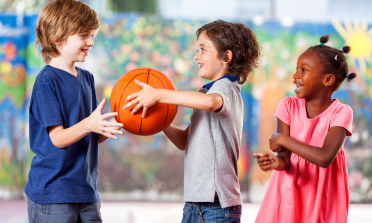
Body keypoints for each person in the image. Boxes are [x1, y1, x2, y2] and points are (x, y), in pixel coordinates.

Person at [122, 20, 260, 222]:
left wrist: (160, 94)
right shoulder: (206, 92)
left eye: (203, 49)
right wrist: (159, 120)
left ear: (226, 56)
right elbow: (184, 142)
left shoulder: (226, 88)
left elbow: (211, 103)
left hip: (217, 205)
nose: (196, 56)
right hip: (195, 202)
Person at [25, 0, 123, 222]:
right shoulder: (47, 80)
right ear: (57, 38)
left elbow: (87, 136)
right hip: (53, 193)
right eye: (83, 35)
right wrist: (89, 124)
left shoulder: (87, 79)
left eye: (92, 35)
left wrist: (105, 128)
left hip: (85, 190)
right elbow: (59, 139)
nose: (90, 42)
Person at [252, 35, 356, 223]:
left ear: (328, 80)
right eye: (296, 69)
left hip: (321, 199)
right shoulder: (287, 106)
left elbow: (324, 157)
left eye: (304, 70)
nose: (295, 76)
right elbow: (285, 158)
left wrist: (283, 140)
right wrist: (277, 162)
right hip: (288, 194)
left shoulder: (341, 112)